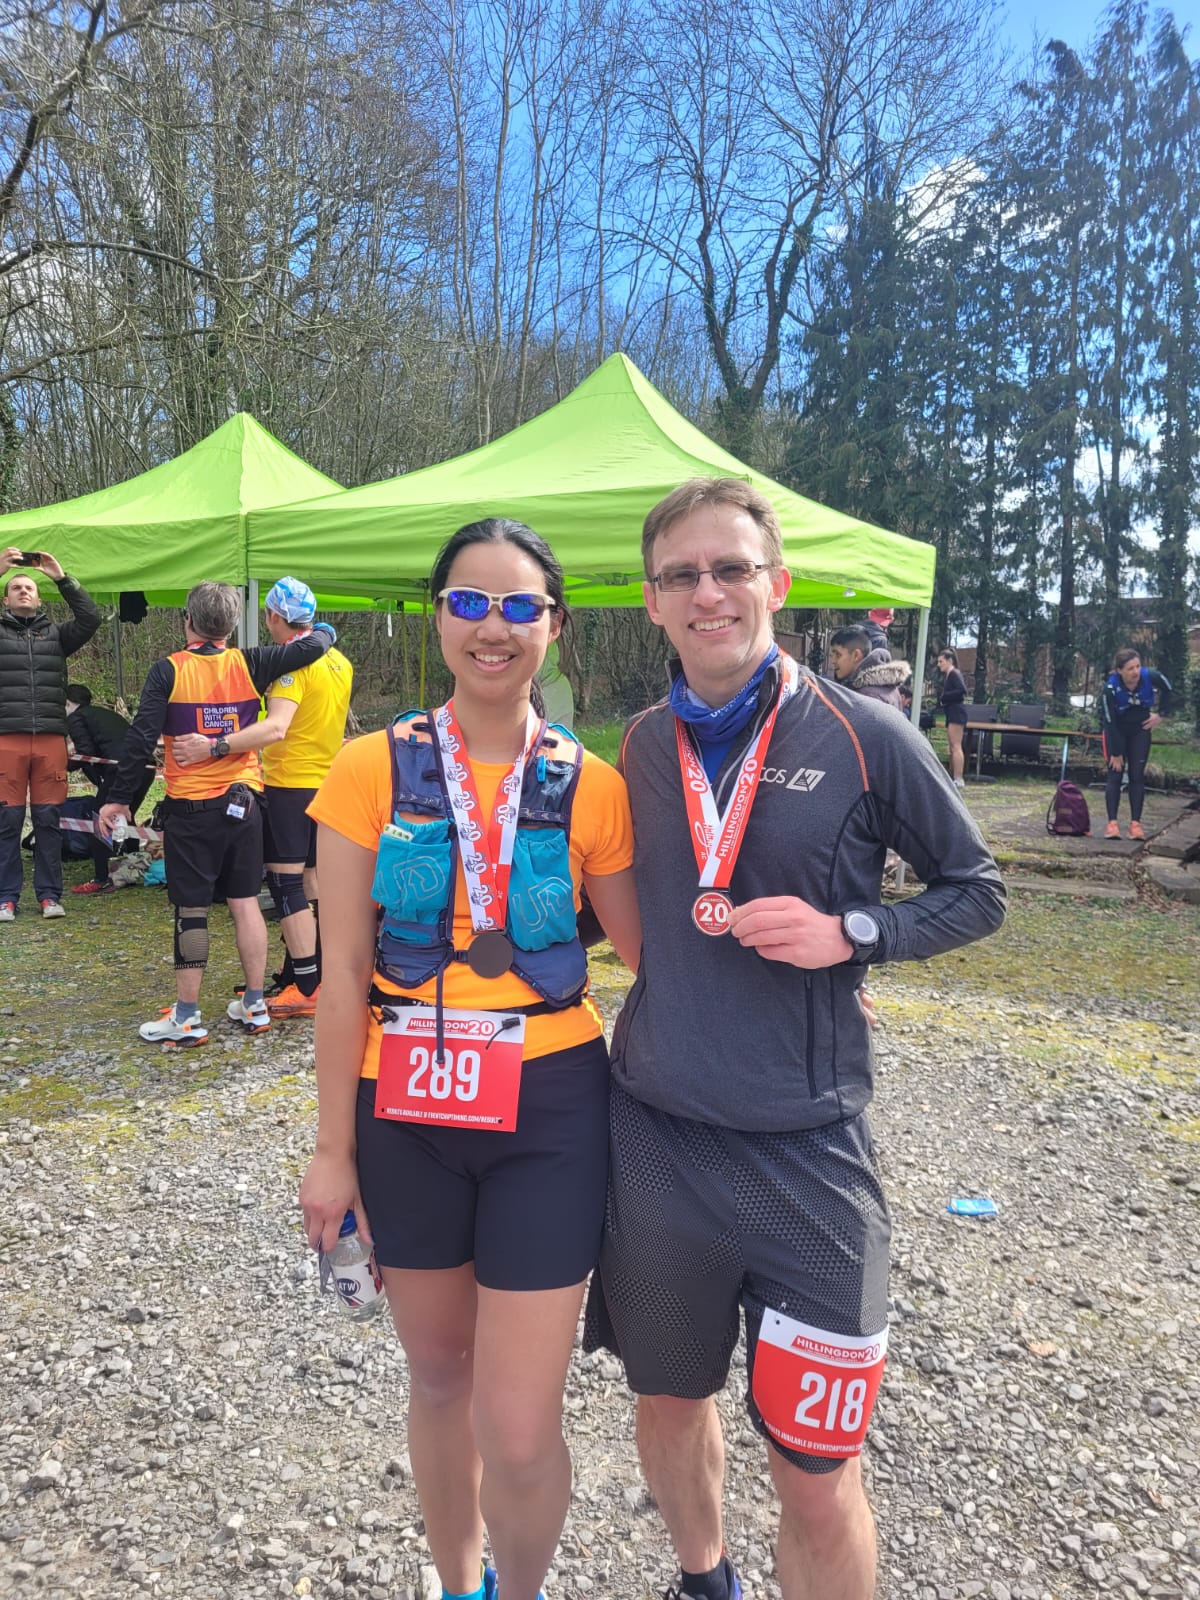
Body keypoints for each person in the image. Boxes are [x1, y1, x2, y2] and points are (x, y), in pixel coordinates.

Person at [584, 478, 1005, 1600]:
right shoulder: (635, 744)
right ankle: (704, 1579)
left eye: (731, 569)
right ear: (651, 601)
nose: (709, 592)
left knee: (816, 1472)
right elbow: (596, 905)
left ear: (775, 583)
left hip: (811, 1156)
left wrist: (852, 933)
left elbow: (978, 890)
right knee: (670, 1402)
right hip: (658, 1140)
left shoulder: (870, 734)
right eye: (683, 574)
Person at [299, 518, 641, 1600]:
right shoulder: (367, 767)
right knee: (439, 1376)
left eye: (517, 607)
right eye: (468, 602)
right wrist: (329, 1151)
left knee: (521, 1421)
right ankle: (461, 1585)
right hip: (402, 1101)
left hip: (549, 1107)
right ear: (436, 615)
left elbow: (653, 955)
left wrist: (820, 968)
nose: (492, 628)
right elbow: (342, 973)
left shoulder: (595, 785)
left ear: (556, 626)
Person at [98, 581, 334, 1046]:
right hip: (246, 803)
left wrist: (120, 797)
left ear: (187, 620)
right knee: (245, 903)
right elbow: (316, 643)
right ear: (231, 624)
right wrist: (322, 626)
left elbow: (141, 738)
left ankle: (186, 1015)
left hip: (192, 809)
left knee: (191, 911)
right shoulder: (254, 661)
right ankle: (254, 1003)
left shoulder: (167, 670)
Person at [170, 578, 353, 1019]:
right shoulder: (339, 661)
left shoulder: (294, 669)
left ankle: (306, 987)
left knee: (286, 883)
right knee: (313, 883)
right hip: (327, 781)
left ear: (273, 616)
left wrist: (215, 746)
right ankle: (309, 973)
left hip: (291, 784)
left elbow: (276, 728)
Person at [0, 548, 101, 921]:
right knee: (6, 823)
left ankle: (49, 896)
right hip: (6, 739)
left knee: (48, 821)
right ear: (6, 598)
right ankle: (6, 898)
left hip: (49, 739)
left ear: (40, 598)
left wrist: (61, 576)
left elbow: (90, 618)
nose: (24, 591)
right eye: (16, 587)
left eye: (29, 587)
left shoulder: (57, 636)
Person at [65, 684, 154, 894]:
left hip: (121, 769)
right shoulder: (102, 713)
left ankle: (101, 878)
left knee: (100, 817)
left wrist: (63, 767)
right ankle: (131, 867)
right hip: (145, 767)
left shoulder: (76, 718)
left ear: (67, 703)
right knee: (126, 813)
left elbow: (86, 752)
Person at [1099, 647, 1172, 841]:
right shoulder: (1110, 688)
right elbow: (1109, 721)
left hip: (1140, 729)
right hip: (1117, 730)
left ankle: (1135, 824)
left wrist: (1161, 714)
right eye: (1130, 668)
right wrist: (1115, 752)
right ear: (1119, 670)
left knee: (1136, 775)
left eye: (1137, 666)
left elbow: (1169, 689)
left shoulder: (1150, 676)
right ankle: (1112, 824)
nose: (1135, 672)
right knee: (1115, 774)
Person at [828, 625, 912, 711]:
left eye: (838, 655)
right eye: (833, 655)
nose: (833, 661)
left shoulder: (866, 695)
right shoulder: (889, 688)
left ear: (856, 655)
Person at [936, 647, 969, 787]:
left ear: (950, 661)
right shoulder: (950, 675)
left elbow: (962, 691)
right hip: (952, 712)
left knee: (956, 746)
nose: (939, 664)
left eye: (941, 661)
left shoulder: (954, 673)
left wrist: (944, 697)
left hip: (957, 712)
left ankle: (959, 778)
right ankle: (953, 776)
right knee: (952, 746)